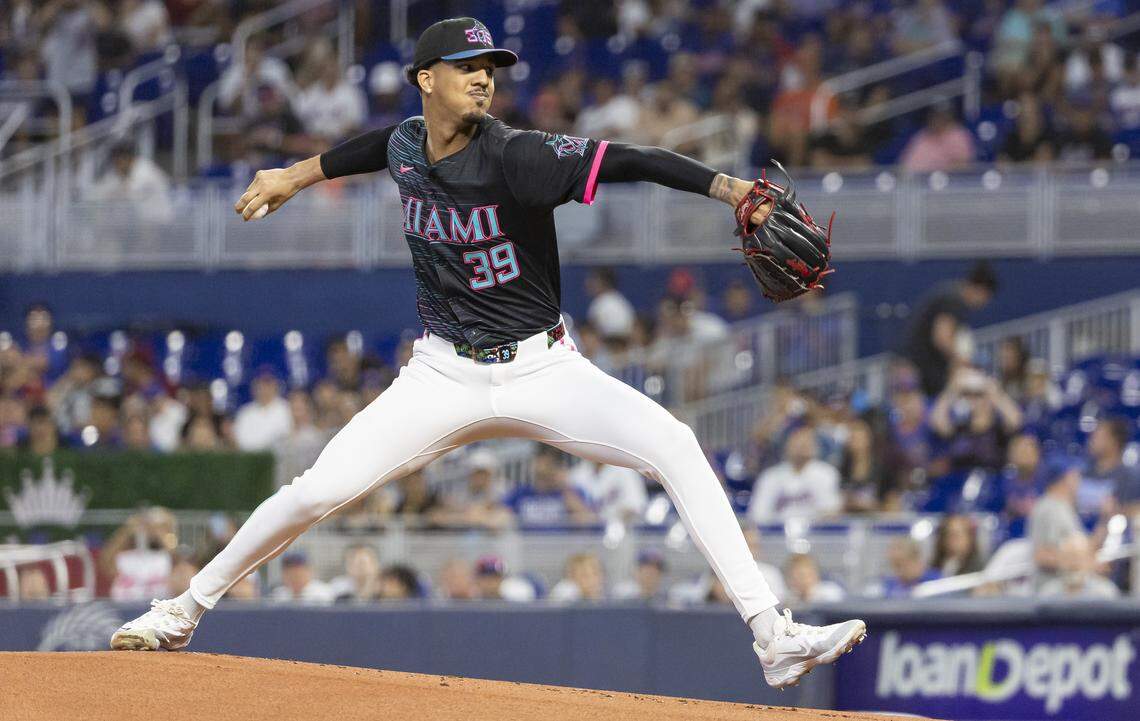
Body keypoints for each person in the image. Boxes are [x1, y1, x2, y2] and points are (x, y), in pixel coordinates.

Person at [112, 17, 865, 689]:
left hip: (544, 367)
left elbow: (631, 157)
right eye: (467, 66)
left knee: (675, 443)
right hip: (442, 371)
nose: (482, 76)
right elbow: (373, 148)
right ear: (425, 81)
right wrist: (293, 175)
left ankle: (773, 635)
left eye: (491, 67)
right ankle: (181, 609)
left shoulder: (521, 156)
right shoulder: (409, 141)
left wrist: (729, 186)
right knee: (316, 490)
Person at [903, 262, 998, 397]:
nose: (983, 305)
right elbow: (942, 338)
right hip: (920, 368)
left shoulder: (950, 294)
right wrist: (963, 361)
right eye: (985, 299)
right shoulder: (953, 301)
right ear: (981, 291)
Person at [747, 425, 843, 524]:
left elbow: (831, 511)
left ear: (815, 447)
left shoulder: (826, 473)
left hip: (816, 533)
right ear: (786, 446)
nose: (801, 447)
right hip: (776, 533)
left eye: (806, 442)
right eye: (797, 442)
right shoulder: (770, 476)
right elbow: (758, 515)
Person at [1028, 456, 1086, 587]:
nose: (1078, 480)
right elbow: (1041, 556)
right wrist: (1080, 564)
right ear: (1064, 479)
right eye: (1075, 475)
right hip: (1051, 589)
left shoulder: (1065, 506)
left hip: (1069, 587)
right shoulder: (1048, 507)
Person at [1087, 417, 1140, 519]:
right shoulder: (1079, 474)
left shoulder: (1133, 477)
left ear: (1113, 442)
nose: (1092, 440)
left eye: (1098, 437)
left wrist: (1117, 512)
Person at [232, 369, 293, 451]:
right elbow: (238, 442)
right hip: (249, 459)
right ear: (254, 387)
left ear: (276, 385)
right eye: (260, 384)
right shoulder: (245, 413)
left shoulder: (287, 409)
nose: (264, 388)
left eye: (268, 384)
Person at [269, 552, 335, 605]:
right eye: (289, 572)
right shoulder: (278, 595)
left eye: (298, 572)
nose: (294, 576)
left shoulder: (322, 593)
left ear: (309, 571)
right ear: (283, 574)